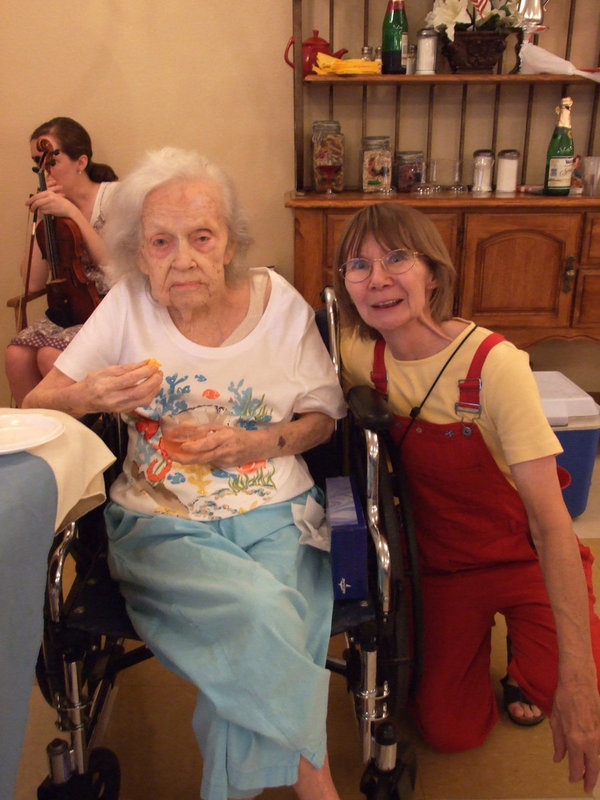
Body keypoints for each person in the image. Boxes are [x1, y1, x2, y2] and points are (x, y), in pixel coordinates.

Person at [23, 147, 346, 800]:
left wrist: (254, 441)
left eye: (202, 237)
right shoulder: (127, 308)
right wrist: (91, 395)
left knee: (267, 620)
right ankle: (317, 779)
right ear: (139, 255)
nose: (183, 258)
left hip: (278, 513)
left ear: (229, 243)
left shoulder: (277, 304)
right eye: (161, 242)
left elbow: (324, 416)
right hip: (160, 521)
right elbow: (37, 400)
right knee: (265, 613)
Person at [333, 202, 600, 792]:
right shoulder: (358, 354)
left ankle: (528, 673)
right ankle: (497, 660)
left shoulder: (495, 364)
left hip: (526, 554)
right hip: (444, 568)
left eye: (396, 257)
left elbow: (552, 525)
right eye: (358, 264)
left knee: (570, 687)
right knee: (450, 731)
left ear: (433, 272)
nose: (377, 278)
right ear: (345, 285)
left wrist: (578, 684)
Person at [5, 117, 118, 406]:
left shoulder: (115, 197)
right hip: (71, 307)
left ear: (81, 162)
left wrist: (75, 214)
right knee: (16, 355)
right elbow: (32, 282)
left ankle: (77, 437)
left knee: (49, 357)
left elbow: (117, 268)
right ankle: (34, 437)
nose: (45, 171)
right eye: (38, 163)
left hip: (108, 307)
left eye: (52, 161)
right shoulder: (53, 212)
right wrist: (45, 221)